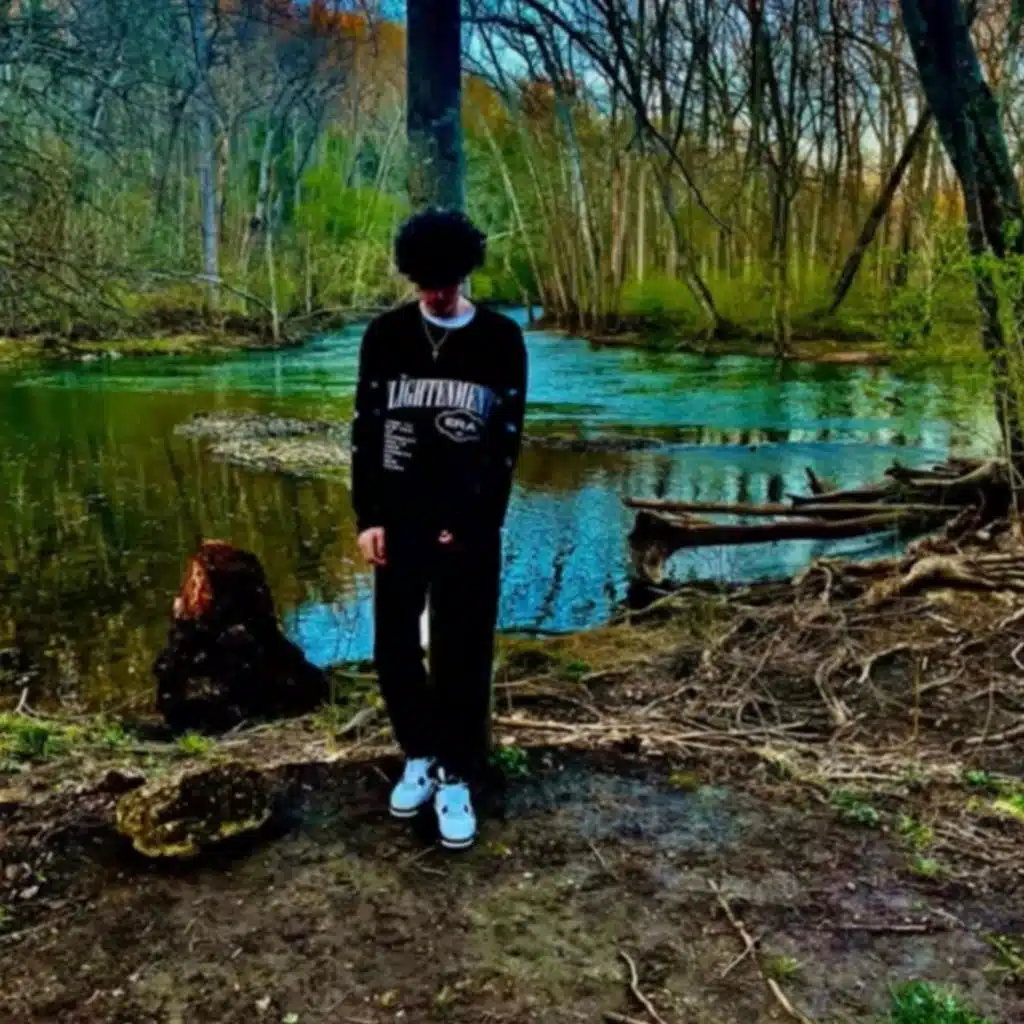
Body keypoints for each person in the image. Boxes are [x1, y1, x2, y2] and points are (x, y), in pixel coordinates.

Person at [350, 209, 528, 850]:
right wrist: (368, 516)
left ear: (464, 273)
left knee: (463, 650)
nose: (436, 295)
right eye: (426, 284)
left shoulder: (501, 339)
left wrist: (478, 522)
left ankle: (456, 774)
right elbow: (366, 428)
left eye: (446, 283)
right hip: (399, 519)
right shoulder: (385, 335)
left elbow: (505, 443)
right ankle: (419, 754)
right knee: (394, 645)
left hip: (470, 525)